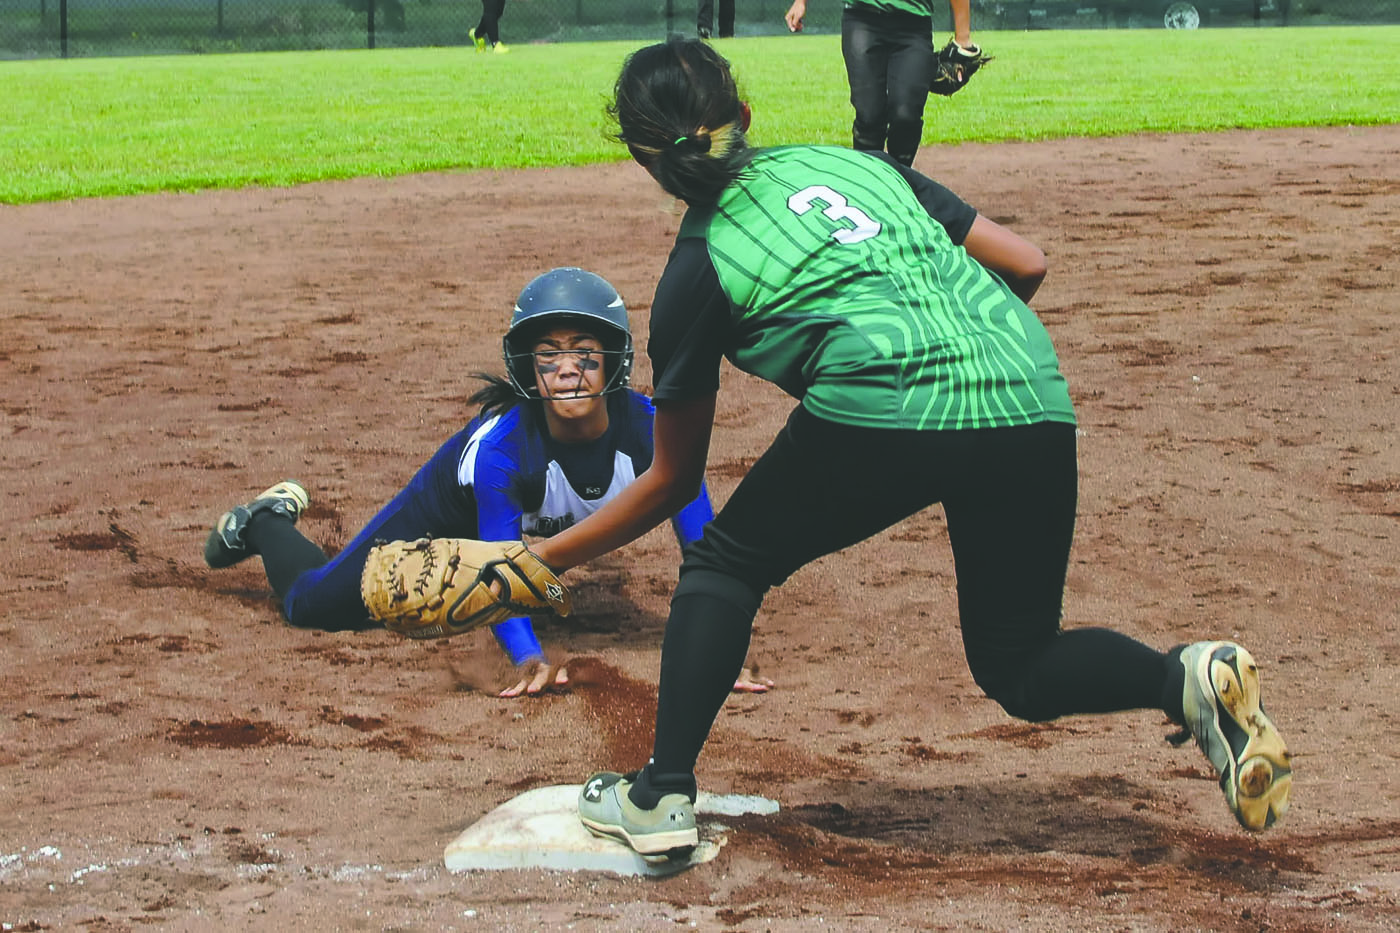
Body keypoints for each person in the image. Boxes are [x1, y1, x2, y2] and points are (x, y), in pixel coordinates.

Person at [517, 38, 1293, 857]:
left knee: (726, 564)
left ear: (645, 159)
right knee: (1019, 663)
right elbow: (1025, 264)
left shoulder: (697, 267)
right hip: (1027, 387)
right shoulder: (865, 169)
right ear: (743, 117)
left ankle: (661, 793)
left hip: (885, 403)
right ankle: (1183, 678)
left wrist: (541, 563)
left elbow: (673, 481)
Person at [202, 267, 771, 698]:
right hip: (448, 509)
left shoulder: (652, 430)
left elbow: (705, 548)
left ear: (614, 360)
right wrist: (526, 658)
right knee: (314, 605)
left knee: (545, 575)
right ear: (527, 368)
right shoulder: (503, 451)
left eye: (583, 353)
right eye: (548, 356)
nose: (567, 369)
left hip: (534, 533)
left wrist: (722, 649)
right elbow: (500, 565)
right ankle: (267, 522)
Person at [784, 0, 980, 167]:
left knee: (906, 116)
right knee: (869, 115)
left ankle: (899, 183)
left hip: (913, 27)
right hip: (862, 20)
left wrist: (963, 37)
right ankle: (868, 187)